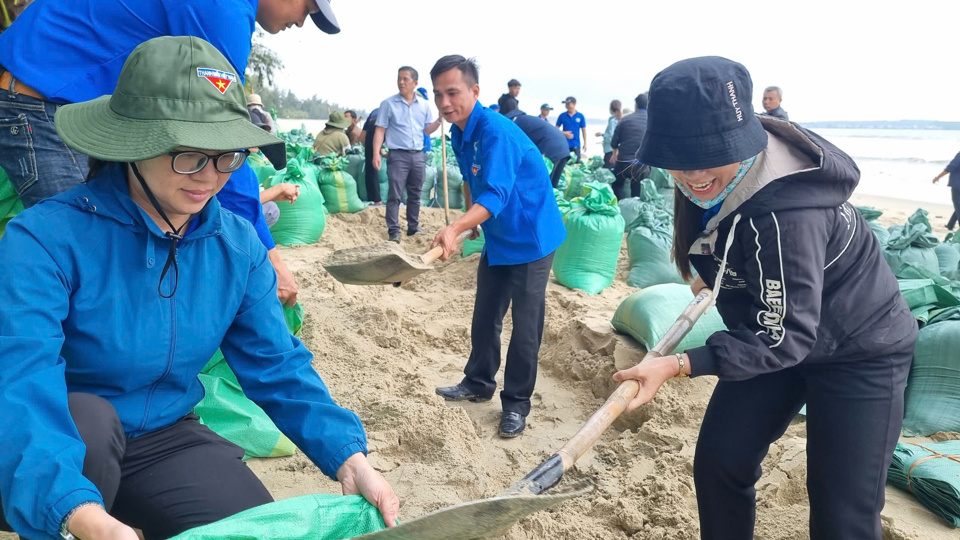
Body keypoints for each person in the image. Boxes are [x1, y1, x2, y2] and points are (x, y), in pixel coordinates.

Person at [0, 36, 399, 540]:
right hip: (48, 436)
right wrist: (84, 517)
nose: (209, 178)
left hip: (162, 435)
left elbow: (277, 364)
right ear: (133, 143)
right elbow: (21, 380)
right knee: (91, 422)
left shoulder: (234, 245)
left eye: (227, 157)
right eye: (189, 156)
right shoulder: (45, 238)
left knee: (250, 529)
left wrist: (350, 458)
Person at [614, 56, 917, 540]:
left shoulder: (786, 216)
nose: (692, 176)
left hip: (859, 350)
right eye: (678, 160)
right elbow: (735, 247)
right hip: (773, 331)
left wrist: (676, 365)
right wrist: (714, 273)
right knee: (720, 461)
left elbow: (786, 337)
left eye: (707, 157)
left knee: (844, 515)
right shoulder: (715, 182)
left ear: (743, 139)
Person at [0, 0, 340, 308]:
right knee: (95, 257)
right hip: (40, 101)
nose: (301, 22)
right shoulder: (223, 8)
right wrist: (270, 258)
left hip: (72, 98)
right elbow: (219, 132)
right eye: (308, 8)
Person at [429, 55, 566, 438]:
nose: (444, 102)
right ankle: (477, 382)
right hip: (499, 234)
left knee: (525, 326)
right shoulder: (458, 131)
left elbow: (498, 192)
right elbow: (474, 184)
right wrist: (470, 223)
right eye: (439, 94)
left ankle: (517, 404)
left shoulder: (496, 132)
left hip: (531, 235)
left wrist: (455, 227)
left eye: (452, 92)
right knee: (486, 312)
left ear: (475, 91)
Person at [372, 66, 441, 242]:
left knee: (415, 193)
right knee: (394, 194)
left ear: (415, 83)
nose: (401, 82)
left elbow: (427, 129)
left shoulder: (424, 105)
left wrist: (440, 120)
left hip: (418, 155)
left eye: (405, 79)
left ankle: (413, 227)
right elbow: (380, 130)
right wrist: (376, 154)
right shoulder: (388, 104)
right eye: (399, 79)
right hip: (397, 156)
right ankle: (394, 230)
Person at [505, 109, 571, 189]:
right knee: (552, 186)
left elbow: (514, 147)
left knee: (540, 184)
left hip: (550, 147)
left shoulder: (515, 123)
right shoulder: (526, 119)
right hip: (564, 147)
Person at [610, 93, 650, 199]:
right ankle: (634, 208)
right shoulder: (652, 121)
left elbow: (614, 142)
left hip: (623, 162)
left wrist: (614, 154)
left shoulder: (625, 120)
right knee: (636, 190)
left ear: (636, 105)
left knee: (617, 185)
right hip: (641, 164)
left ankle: (617, 208)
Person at [932, 150, 960, 229]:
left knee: (958, 205)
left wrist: (938, 177)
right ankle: (950, 225)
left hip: (957, 185)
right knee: (958, 205)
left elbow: (951, 167)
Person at [361, 108, 383, 206]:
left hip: (371, 134)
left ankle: (375, 199)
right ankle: (395, 199)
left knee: (371, 168)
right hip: (383, 132)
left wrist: (372, 151)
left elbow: (362, 136)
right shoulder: (397, 109)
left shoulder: (375, 112)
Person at [556, 96, 587, 163]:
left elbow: (584, 130)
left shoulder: (580, 116)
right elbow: (555, 129)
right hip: (565, 144)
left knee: (577, 164)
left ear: (574, 104)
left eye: (568, 104)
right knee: (564, 164)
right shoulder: (562, 116)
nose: (567, 106)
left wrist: (585, 143)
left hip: (576, 144)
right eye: (566, 104)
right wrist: (564, 133)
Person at [595, 99, 622, 169]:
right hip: (619, 151)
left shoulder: (613, 121)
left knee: (608, 173)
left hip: (611, 151)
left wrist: (604, 136)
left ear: (610, 109)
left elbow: (611, 137)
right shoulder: (621, 120)